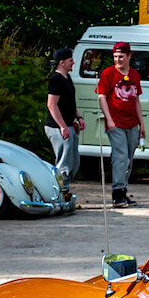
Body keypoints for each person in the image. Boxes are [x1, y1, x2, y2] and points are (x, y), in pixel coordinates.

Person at [97, 41, 145, 208]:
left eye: (121, 57)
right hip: (115, 123)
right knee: (120, 157)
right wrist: (108, 119)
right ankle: (117, 193)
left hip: (132, 123)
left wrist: (142, 124)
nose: (117, 60)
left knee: (129, 159)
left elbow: (137, 100)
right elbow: (101, 97)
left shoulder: (134, 75)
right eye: (115, 56)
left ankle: (123, 190)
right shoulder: (108, 73)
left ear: (129, 56)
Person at [44, 47, 84, 199]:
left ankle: (65, 192)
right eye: (70, 60)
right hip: (57, 127)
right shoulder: (56, 79)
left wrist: (78, 117)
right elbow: (51, 105)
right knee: (64, 163)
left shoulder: (67, 78)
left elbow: (70, 103)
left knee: (73, 162)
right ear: (62, 62)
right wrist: (62, 126)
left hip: (68, 125)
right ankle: (60, 195)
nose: (73, 62)